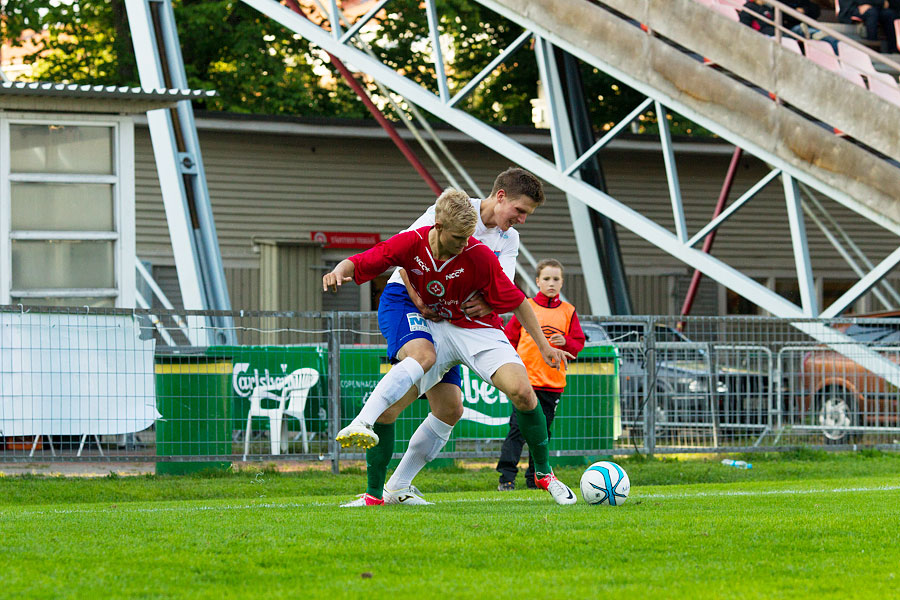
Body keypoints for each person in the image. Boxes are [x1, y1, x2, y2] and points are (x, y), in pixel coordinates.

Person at [323, 188, 578, 506]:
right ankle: (375, 490)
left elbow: (516, 301)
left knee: (519, 393)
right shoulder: (419, 235)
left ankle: (544, 473)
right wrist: (338, 271)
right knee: (402, 395)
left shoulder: (480, 251)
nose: (464, 245)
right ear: (438, 227)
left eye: (468, 238)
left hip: (473, 329)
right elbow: (368, 260)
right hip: (435, 327)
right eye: (459, 238)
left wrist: (544, 346)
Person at [496, 259, 585, 491]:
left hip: (553, 384)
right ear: (537, 281)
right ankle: (506, 477)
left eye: (556, 279)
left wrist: (567, 342)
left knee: (542, 434)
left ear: (562, 282)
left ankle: (535, 477)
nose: (551, 283)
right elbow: (509, 338)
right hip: (526, 382)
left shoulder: (568, 311)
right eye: (546, 279)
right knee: (517, 430)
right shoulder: (526, 308)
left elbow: (578, 343)